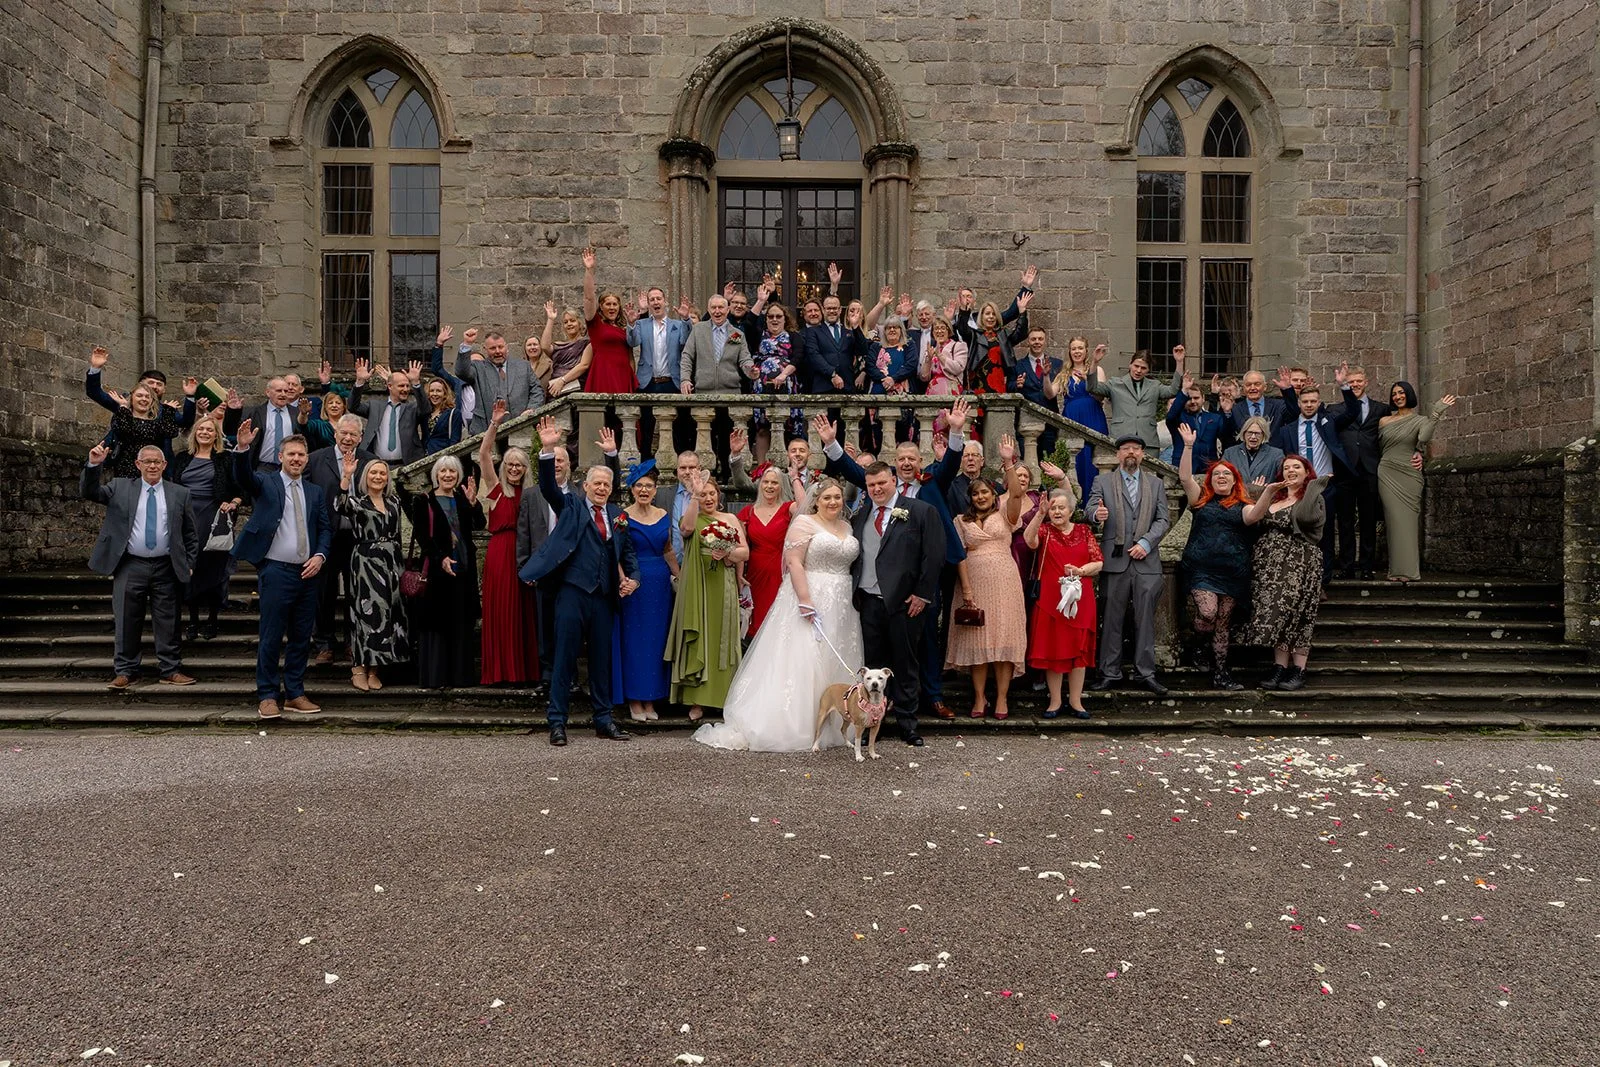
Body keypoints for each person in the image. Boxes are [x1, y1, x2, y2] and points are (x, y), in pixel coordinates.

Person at [820, 397, 973, 722]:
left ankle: (932, 696)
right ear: (893, 465)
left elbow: (950, 464)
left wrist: (956, 432)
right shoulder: (880, 488)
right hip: (885, 581)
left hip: (926, 576)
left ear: (921, 461)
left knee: (929, 636)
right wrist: (832, 445)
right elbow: (852, 471)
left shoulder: (933, 483)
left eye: (911, 458)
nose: (905, 463)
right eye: (900, 458)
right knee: (888, 644)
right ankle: (885, 704)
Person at [693, 477, 858, 752]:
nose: (832, 502)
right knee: (805, 658)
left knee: (835, 655)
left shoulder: (847, 526)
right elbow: (794, 562)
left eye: (837, 498)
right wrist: (805, 600)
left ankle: (837, 720)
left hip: (842, 600)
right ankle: (800, 724)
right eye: (826, 497)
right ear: (815, 500)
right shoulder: (804, 524)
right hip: (811, 595)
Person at [519, 415, 640, 746]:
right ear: (584, 487)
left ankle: (603, 719)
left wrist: (634, 580)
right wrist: (546, 450)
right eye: (596, 484)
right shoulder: (570, 505)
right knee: (564, 659)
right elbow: (547, 487)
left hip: (603, 597)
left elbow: (627, 555)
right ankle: (557, 721)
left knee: (601, 662)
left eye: (607, 485)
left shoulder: (618, 516)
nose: (601, 488)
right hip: (572, 593)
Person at [231, 424, 331, 719]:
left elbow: (324, 528)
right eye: (292, 454)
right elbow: (244, 478)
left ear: (306, 458)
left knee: (301, 637)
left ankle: (295, 692)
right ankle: (268, 694)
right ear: (281, 456)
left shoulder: (313, 491)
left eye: (301, 454)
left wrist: (321, 556)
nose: (297, 459)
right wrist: (242, 449)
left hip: (308, 573)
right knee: (272, 635)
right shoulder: (266, 482)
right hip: (275, 571)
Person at [845, 460, 947, 746]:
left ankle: (907, 723)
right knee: (872, 667)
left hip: (905, 602)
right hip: (868, 601)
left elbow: (934, 555)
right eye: (871, 485)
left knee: (906, 663)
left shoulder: (920, 512)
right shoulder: (860, 515)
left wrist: (923, 594)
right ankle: (872, 722)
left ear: (894, 481)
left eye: (881, 483)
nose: (876, 489)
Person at [81, 443, 198, 688]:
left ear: (165, 465)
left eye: (157, 462)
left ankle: (170, 669)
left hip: (166, 565)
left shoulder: (180, 493)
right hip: (130, 564)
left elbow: (190, 533)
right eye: (147, 461)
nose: (153, 465)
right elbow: (90, 492)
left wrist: (189, 562)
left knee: (168, 620)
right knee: (126, 618)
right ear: (138, 464)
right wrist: (94, 465)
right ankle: (126, 670)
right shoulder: (120, 487)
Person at [946, 441, 1031, 720]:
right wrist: (966, 588)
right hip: (973, 582)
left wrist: (1008, 463)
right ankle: (980, 697)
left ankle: (1002, 698)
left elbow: (1017, 494)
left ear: (993, 495)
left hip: (1005, 581)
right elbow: (958, 556)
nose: (980, 496)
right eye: (976, 494)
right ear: (970, 498)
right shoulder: (961, 520)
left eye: (985, 492)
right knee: (978, 641)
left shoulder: (1006, 515)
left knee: (1004, 638)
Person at [1085, 434, 1172, 696]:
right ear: (1117, 455)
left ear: (1143, 454)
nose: (1131, 452)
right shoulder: (1103, 481)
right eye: (1125, 449)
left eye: (1136, 448)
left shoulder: (1156, 484)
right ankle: (1109, 672)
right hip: (1115, 559)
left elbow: (1163, 519)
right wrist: (1096, 514)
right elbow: (1090, 508)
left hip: (1146, 560)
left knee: (1145, 619)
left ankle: (1146, 672)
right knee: (1111, 618)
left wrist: (1146, 542)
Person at [1241, 455, 1331, 690]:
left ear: (1306, 472)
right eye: (1286, 468)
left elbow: (1307, 519)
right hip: (1269, 565)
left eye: (1296, 467)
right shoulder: (1275, 496)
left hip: (1299, 562)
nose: (1290, 471)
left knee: (1298, 614)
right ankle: (1279, 666)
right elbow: (1253, 518)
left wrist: (1313, 487)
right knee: (1278, 615)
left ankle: (1298, 669)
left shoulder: (1313, 498)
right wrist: (1265, 492)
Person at [1175, 424, 1253, 690]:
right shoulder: (1200, 500)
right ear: (1210, 480)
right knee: (1208, 614)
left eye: (1226, 474)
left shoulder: (1244, 506)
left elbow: (1256, 517)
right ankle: (1197, 644)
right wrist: (1187, 446)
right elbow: (1185, 478)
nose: (1221, 477)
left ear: (1234, 480)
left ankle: (1221, 673)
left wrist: (1267, 492)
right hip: (1202, 569)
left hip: (1233, 572)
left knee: (1223, 622)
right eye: (1216, 474)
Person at [668, 470, 750, 720]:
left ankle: (724, 697)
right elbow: (686, 529)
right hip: (698, 583)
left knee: (722, 638)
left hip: (723, 583)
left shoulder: (730, 518)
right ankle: (698, 701)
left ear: (718, 495)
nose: (708, 498)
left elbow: (744, 552)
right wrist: (694, 496)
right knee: (701, 635)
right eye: (703, 494)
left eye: (711, 493)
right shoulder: (692, 514)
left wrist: (725, 552)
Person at [1023, 483, 1102, 719]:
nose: (1057, 512)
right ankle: (1055, 701)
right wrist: (1039, 514)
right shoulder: (1045, 531)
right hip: (1050, 600)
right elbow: (1029, 541)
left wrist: (1080, 571)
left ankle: (1076, 701)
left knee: (1078, 652)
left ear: (1071, 511)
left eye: (1061, 508)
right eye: (1053, 508)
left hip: (1080, 597)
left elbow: (1098, 562)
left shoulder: (1084, 531)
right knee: (1053, 650)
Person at [476, 401, 540, 686]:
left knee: (522, 613)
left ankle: (522, 671)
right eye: (511, 464)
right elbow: (484, 454)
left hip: (524, 554)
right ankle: (500, 671)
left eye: (519, 465)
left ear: (526, 469)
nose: (514, 468)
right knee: (501, 611)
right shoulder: (495, 487)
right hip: (501, 553)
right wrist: (495, 424)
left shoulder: (530, 494)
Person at [305, 413, 374, 664]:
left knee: (357, 592)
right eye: (343, 433)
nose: (347, 438)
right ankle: (324, 643)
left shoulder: (370, 462)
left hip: (359, 537)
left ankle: (352, 641)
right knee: (324, 591)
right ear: (336, 433)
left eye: (353, 434)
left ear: (361, 437)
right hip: (326, 537)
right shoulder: (315, 460)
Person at [408, 455, 481, 688]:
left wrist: (474, 503)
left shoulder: (461, 499)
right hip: (438, 575)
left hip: (463, 571)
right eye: (443, 471)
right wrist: (441, 559)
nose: (448, 475)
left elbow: (479, 525)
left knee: (461, 624)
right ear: (436, 474)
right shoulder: (424, 501)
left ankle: (460, 677)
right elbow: (423, 538)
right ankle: (437, 677)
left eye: (452, 471)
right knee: (438, 624)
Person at [336, 453, 407, 691]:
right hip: (366, 562)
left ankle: (376, 668)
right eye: (373, 473)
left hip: (391, 563)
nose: (378, 476)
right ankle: (358, 667)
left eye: (382, 473)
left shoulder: (394, 502)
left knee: (387, 615)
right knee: (365, 614)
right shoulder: (357, 502)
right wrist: (346, 476)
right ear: (366, 477)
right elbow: (340, 505)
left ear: (388, 478)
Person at [168, 415, 240, 642]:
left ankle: (212, 619)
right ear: (194, 433)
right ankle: (193, 620)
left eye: (210, 430)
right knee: (190, 566)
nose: (205, 432)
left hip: (212, 515)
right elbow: (171, 487)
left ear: (216, 435)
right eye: (201, 429)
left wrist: (234, 503)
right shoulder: (181, 459)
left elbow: (239, 489)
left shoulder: (225, 458)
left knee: (213, 566)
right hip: (185, 516)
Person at [1270, 383, 1351, 585]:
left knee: (1325, 534)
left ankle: (1322, 582)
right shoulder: (1287, 429)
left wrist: (1344, 386)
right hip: (1296, 488)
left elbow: (1352, 412)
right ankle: (1299, 578)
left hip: (1324, 486)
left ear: (1319, 403)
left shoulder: (1328, 422)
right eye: (1305, 402)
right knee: (1297, 530)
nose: (1309, 405)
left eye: (1313, 401)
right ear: (1298, 404)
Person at [617, 459, 677, 721]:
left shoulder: (664, 515)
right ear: (632, 489)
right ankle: (635, 699)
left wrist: (680, 577)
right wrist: (622, 580)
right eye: (639, 486)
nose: (644, 490)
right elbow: (616, 553)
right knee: (634, 641)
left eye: (649, 486)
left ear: (655, 490)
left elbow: (668, 550)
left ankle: (651, 699)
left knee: (656, 641)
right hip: (634, 584)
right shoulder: (622, 517)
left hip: (660, 584)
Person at [1378, 383, 1457, 582]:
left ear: (1409, 395)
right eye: (1394, 394)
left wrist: (1436, 413)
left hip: (1409, 474)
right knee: (1394, 521)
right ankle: (1395, 571)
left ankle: (1409, 572)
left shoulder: (1420, 420)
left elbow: (1423, 437)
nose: (1397, 397)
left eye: (1401, 393)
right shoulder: (1384, 421)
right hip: (1387, 472)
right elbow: (1378, 447)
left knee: (1408, 522)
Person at [680, 293, 755, 473]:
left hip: (730, 394)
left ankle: (727, 474)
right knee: (705, 438)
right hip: (703, 392)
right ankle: (708, 474)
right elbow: (687, 356)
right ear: (708, 309)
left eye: (721, 307)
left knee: (726, 437)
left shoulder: (738, 334)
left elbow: (745, 360)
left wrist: (751, 370)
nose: (717, 311)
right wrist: (685, 379)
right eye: (713, 308)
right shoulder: (698, 330)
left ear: (727, 310)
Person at [1330, 362, 1385, 578]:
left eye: (1358, 381)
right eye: (1351, 382)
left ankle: (1367, 566)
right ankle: (1346, 566)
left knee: (1368, 519)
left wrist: (1416, 451)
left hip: (1369, 469)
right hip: (1344, 470)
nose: (1355, 385)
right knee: (1344, 521)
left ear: (1366, 382)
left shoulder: (1381, 409)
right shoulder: (1335, 409)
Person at [737, 462, 799, 637]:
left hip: (782, 573)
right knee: (756, 623)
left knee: (779, 623)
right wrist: (740, 575)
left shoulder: (789, 508)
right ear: (760, 484)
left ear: (781, 486)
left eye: (775, 482)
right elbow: (740, 546)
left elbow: (805, 507)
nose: (769, 486)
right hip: (755, 574)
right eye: (766, 482)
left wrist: (794, 478)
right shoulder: (747, 512)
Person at [1043, 338, 1109, 495]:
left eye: (1080, 348)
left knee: (1093, 460)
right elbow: (1050, 394)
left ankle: (1093, 501)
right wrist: (1045, 376)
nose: (1077, 352)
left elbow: (1100, 396)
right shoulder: (1063, 373)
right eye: (1074, 349)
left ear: (1086, 351)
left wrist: (1088, 380)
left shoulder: (1096, 370)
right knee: (1076, 461)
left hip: (1093, 418)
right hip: (1071, 418)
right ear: (1069, 352)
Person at [1088, 345, 1183, 450]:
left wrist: (1179, 362)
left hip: (1148, 442)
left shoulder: (1154, 385)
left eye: (1143, 368)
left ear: (1148, 370)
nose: (1138, 370)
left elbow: (1173, 390)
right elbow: (1093, 388)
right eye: (1136, 366)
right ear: (1130, 365)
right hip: (1122, 439)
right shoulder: (1115, 383)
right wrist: (1095, 362)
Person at [452, 326, 542, 434]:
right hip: (487, 430)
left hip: (520, 429)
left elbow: (537, 390)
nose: (498, 351)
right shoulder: (478, 368)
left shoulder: (523, 366)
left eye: (500, 347)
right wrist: (467, 344)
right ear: (485, 350)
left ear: (506, 347)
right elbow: (461, 371)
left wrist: (531, 408)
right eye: (493, 348)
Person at [579, 246, 640, 395]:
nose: (612, 307)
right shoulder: (596, 325)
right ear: (601, 306)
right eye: (608, 304)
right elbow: (588, 298)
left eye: (615, 304)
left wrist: (631, 379)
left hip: (623, 377)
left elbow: (630, 357)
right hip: (603, 376)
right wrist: (589, 271)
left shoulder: (624, 328)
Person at [750, 302, 803, 459]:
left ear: (785, 319)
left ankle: (790, 469)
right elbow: (748, 324)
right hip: (761, 386)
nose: (774, 319)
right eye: (770, 316)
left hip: (787, 385)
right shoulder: (759, 335)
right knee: (762, 427)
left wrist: (783, 375)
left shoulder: (794, 336)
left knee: (790, 427)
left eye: (778, 316)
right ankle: (762, 469)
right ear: (766, 320)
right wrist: (753, 370)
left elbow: (798, 357)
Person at [355, 363, 425, 465]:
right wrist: (360, 382)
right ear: (390, 386)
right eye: (401, 386)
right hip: (377, 465)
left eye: (407, 386)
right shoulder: (375, 406)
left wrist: (416, 383)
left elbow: (425, 409)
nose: (405, 389)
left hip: (406, 465)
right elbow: (353, 406)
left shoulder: (412, 408)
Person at [1166, 372, 1232, 473]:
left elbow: (1227, 436)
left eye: (1196, 398)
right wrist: (1184, 390)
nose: (1192, 401)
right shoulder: (1178, 418)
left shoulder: (1214, 418)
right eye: (1188, 399)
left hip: (1208, 468)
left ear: (1203, 398)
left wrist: (1227, 413)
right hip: (1183, 467)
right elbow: (1171, 416)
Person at [801, 294, 866, 396]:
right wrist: (832, 374)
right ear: (823, 310)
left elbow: (862, 350)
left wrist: (856, 327)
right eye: (829, 308)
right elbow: (814, 355)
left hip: (847, 388)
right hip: (823, 388)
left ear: (840, 310)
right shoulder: (813, 332)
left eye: (835, 308)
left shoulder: (848, 332)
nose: (832, 311)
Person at [1013, 328, 1063, 459]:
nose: (1037, 342)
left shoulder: (1057, 364)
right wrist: (1016, 385)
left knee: (1049, 461)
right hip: (1026, 421)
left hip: (1050, 422)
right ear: (1028, 342)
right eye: (1033, 339)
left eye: (1040, 339)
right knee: (1029, 462)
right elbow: (1008, 387)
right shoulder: (1018, 365)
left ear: (1045, 341)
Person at [1221, 415, 1283, 499]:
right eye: (1250, 432)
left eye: (1257, 433)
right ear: (1244, 433)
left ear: (1264, 435)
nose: (1253, 437)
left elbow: (1282, 483)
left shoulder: (1276, 454)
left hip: (1264, 502)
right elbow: (1222, 479)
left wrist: (1262, 490)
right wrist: (1251, 489)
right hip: (1234, 500)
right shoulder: (1230, 453)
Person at [541, 301, 593, 396]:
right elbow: (544, 346)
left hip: (574, 389)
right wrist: (551, 319)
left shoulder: (586, 343)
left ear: (579, 323)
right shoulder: (559, 345)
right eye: (565, 322)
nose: (569, 324)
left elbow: (584, 365)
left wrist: (562, 381)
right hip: (555, 390)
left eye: (572, 321)